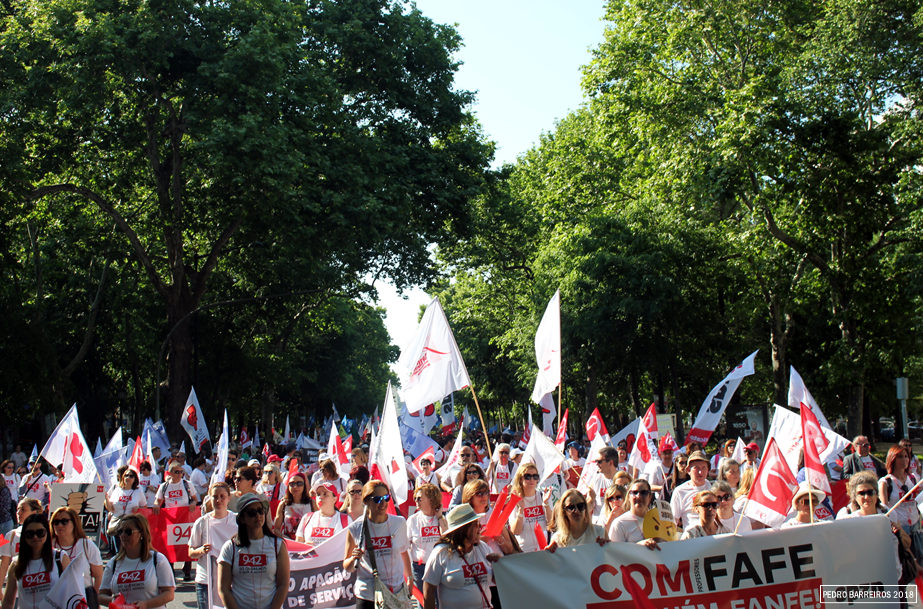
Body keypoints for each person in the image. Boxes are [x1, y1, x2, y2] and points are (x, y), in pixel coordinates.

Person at [343, 480, 413, 609]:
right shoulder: (355, 528)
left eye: (386, 498)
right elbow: (347, 566)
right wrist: (354, 558)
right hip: (368, 596)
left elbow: (403, 552)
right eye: (377, 499)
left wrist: (410, 578)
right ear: (366, 501)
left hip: (396, 592)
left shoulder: (399, 523)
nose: (383, 503)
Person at [217, 493, 289, 609]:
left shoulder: (278, 545)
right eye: (252, 513)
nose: (258, 516)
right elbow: (223, 588)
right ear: (242, 519)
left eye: (261, 511)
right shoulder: (230, 547)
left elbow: (283, 584)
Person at [422, 505, 498, 609]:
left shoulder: (483, 548)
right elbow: (428, 590)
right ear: (463, 529)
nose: (480, 527)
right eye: (476, 524)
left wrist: (497, 565)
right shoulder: (440, 553)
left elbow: (498, 581)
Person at [100, 513, 176, 608]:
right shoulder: (114, 563)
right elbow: (101, 595)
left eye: (128, 531)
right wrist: (112, 600)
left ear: (142, 534)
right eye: (120, 532)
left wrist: (146, 604)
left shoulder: (157, 559)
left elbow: (169, 593)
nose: (123, 535)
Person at [1, 513, 70, 609]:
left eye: (40, 532)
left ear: (47, 533)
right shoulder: (16, 563)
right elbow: (8, 601)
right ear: (24, 536)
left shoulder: (60, 558)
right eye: (30, 533)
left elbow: (72, 593)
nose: (35, 537)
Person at [189, 482, 236, 609]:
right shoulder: (202, 522)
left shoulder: (237, 521)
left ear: (229, 498)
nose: (218, 500)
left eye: (222, 496)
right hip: (206, 581)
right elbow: (191, 551)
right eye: (215, 496)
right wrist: (201, 550)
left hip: (230, 581)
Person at [50, 506, 104, 606]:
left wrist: (95, 600)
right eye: (56, 522)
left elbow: (98, 576)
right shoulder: (49, 547)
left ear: (75, 523)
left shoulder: (87, 545)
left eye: (64, 521)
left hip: (83, 600)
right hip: (57, 601)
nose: (59, 525)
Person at [153, 459, 197, 581]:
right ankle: (170, 570)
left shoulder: (187, 484)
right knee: (170, 546)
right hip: (170, 521)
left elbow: (194, 498)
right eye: (176, 472)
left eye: (181, 472)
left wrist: (193, 503)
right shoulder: (164, 486)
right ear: (170, 473)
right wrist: (156, 504)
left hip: (185, 519)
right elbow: (158, 500)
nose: (179, 474)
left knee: (186, 544)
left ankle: (187, 571)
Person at [407, 483, 447, 595]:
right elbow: (405, 547)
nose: (416, 501)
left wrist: (439, 517)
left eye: (420, 498)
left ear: (431, 499)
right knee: (423, 604)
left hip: (439, 567)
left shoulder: (442, 517)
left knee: (441, 602)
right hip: (419, 569)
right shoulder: (412, 520)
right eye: (415, 498)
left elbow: (446, 538)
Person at [509, 463, 552, 552]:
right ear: (520, 479)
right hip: (525, 551)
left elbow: (551, 525)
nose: (532, 479)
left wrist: (546, 504)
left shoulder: (543, 496)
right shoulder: (515, 500)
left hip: (545, 549)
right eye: (527, 476)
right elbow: (516, 531)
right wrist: (521, 510)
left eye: (535, 476)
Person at [0, 498, 42, 587]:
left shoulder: (44, 534)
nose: (18, 512)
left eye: (23, 509)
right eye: (18, 509)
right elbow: (4, 564)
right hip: (16, 589)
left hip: (39, 586)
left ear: (34, 513)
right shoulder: (11, 535)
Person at [608, 479, 664, 548]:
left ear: (650, 497)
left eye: (644, 493)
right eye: (635, 492)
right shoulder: (620, 523)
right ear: (628, 496)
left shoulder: (658, 520)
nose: (639, 496)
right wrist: (638, 546)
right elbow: (615, 554)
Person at [105, 467, 148, 555]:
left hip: (131, 525)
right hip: (118, 523)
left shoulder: (138, 491)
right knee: (119, 551)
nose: (127, 478)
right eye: (126, 475)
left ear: (135, 479)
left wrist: (139, 509)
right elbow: (110, 508)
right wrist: (106, 499)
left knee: (130, 550)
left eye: (131, 476)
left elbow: (145, 507)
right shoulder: (117, 490)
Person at [879, 445, 921, 534]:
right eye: (900, 457)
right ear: (892, 459)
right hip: (899, 528)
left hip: (915, 525)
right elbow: (884, 509)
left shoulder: (914, 478)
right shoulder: (885, 482)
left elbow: (917, 500)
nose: (904, 459)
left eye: (906, 456)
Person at [670, 451, 711, 530]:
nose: (700, 472)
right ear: (688, 470)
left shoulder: (711, 487)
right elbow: (673, 521)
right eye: (696, 468)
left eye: (703, 468)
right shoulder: (680, 491)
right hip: (692, 537)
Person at [273, 472, 312, 540]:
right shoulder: (283, 504)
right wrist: (283, 537)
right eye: (292, 484)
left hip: (306, 544)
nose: (295, 487)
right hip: (288, 545)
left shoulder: (312, 503)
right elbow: (276, 529)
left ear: (304, 485)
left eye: (299, 483)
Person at [587, 447, 619, 520]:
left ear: (611, 463)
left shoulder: (623, 479)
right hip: (599, 526)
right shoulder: (595, 479)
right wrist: (591, 500)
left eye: (600, 461)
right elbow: (588, 508)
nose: (597, 464)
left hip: (617, 526)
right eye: (596, 461)